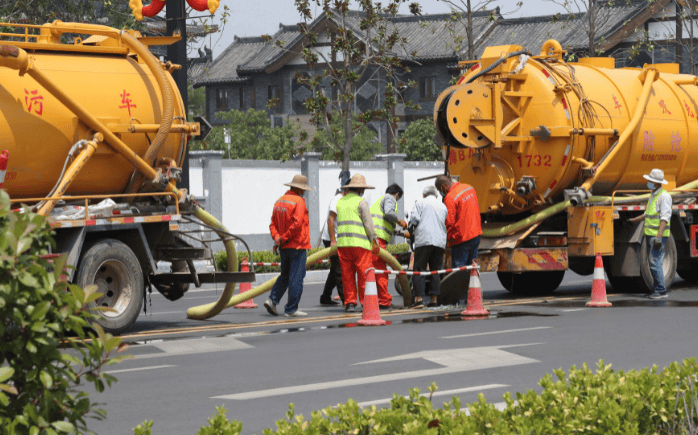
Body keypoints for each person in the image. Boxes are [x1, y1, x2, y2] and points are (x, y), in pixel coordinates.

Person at [264, 174, 312, 317]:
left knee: (285, 275)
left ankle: (272, 300)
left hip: (284, 247)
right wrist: (284, 239)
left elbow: (272, 224)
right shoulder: (299, 201)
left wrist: (278, 239)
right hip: (297, 245)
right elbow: (297, 224)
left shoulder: (279, 201)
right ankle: (291, 309)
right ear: (300, 188)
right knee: (296, 277)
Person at [336, 174, 380, 312]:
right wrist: (374, 240)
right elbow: (368, 225)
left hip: (343, 244)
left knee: (347, 275)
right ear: (361, 189)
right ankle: (365, 302)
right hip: (360, 245)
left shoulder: (340, 202)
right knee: (364, 274)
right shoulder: (361, 202)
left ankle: (349, 303)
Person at [629, 168, 672, 299]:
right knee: (652, 262)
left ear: (656, 182)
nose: (648, 182)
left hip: (657, 237)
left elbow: (665, 218)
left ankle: (661, 290)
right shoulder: (653, 195)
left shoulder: (664, 196)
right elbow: (648, 214)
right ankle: (656, 289)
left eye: (650, 180)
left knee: (655, 262)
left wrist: (659, 236)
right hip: (650, 235)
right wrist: (635, 220)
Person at [370, 183, 408, 309]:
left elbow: (384, 223)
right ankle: (384, 301)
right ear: (397, 195)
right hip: (377, 240)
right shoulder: (390, 198)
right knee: (381, 270)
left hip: (372, 238)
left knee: (372, 270)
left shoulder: (379, 201)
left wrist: (401, 233)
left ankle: (373, 300)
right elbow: (389, 213)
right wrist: (400, 221)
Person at [409, 185, 448, 308]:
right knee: (435, 271)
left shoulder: (420, 202)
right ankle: (434, 300)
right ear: (436, 195)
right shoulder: (442, 206)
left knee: (419, 270)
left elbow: (414, 220)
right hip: (439, 241)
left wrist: (411, 228)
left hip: (424, 240)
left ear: (424, 194)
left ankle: (419, 299)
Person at [435, 175, 482, 269]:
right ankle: (472, 284)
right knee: (472, 270)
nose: (441, 192)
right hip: (476, 235)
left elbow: (449, 223)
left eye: (440, 190)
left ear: (443, 187)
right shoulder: (469, 188)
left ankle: (461, 284)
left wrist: (445, 240)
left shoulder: (450, 197)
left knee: (459, 272)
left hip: (461, 240)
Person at [320, 187, 346, 305]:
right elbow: (331, 219)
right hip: (331, 238)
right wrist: (333, 240)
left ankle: (325, 296)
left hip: (337, 238)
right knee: (339, 269)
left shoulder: (346, 200)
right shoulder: (337, 200)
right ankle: (347, 300)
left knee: (334, 269)